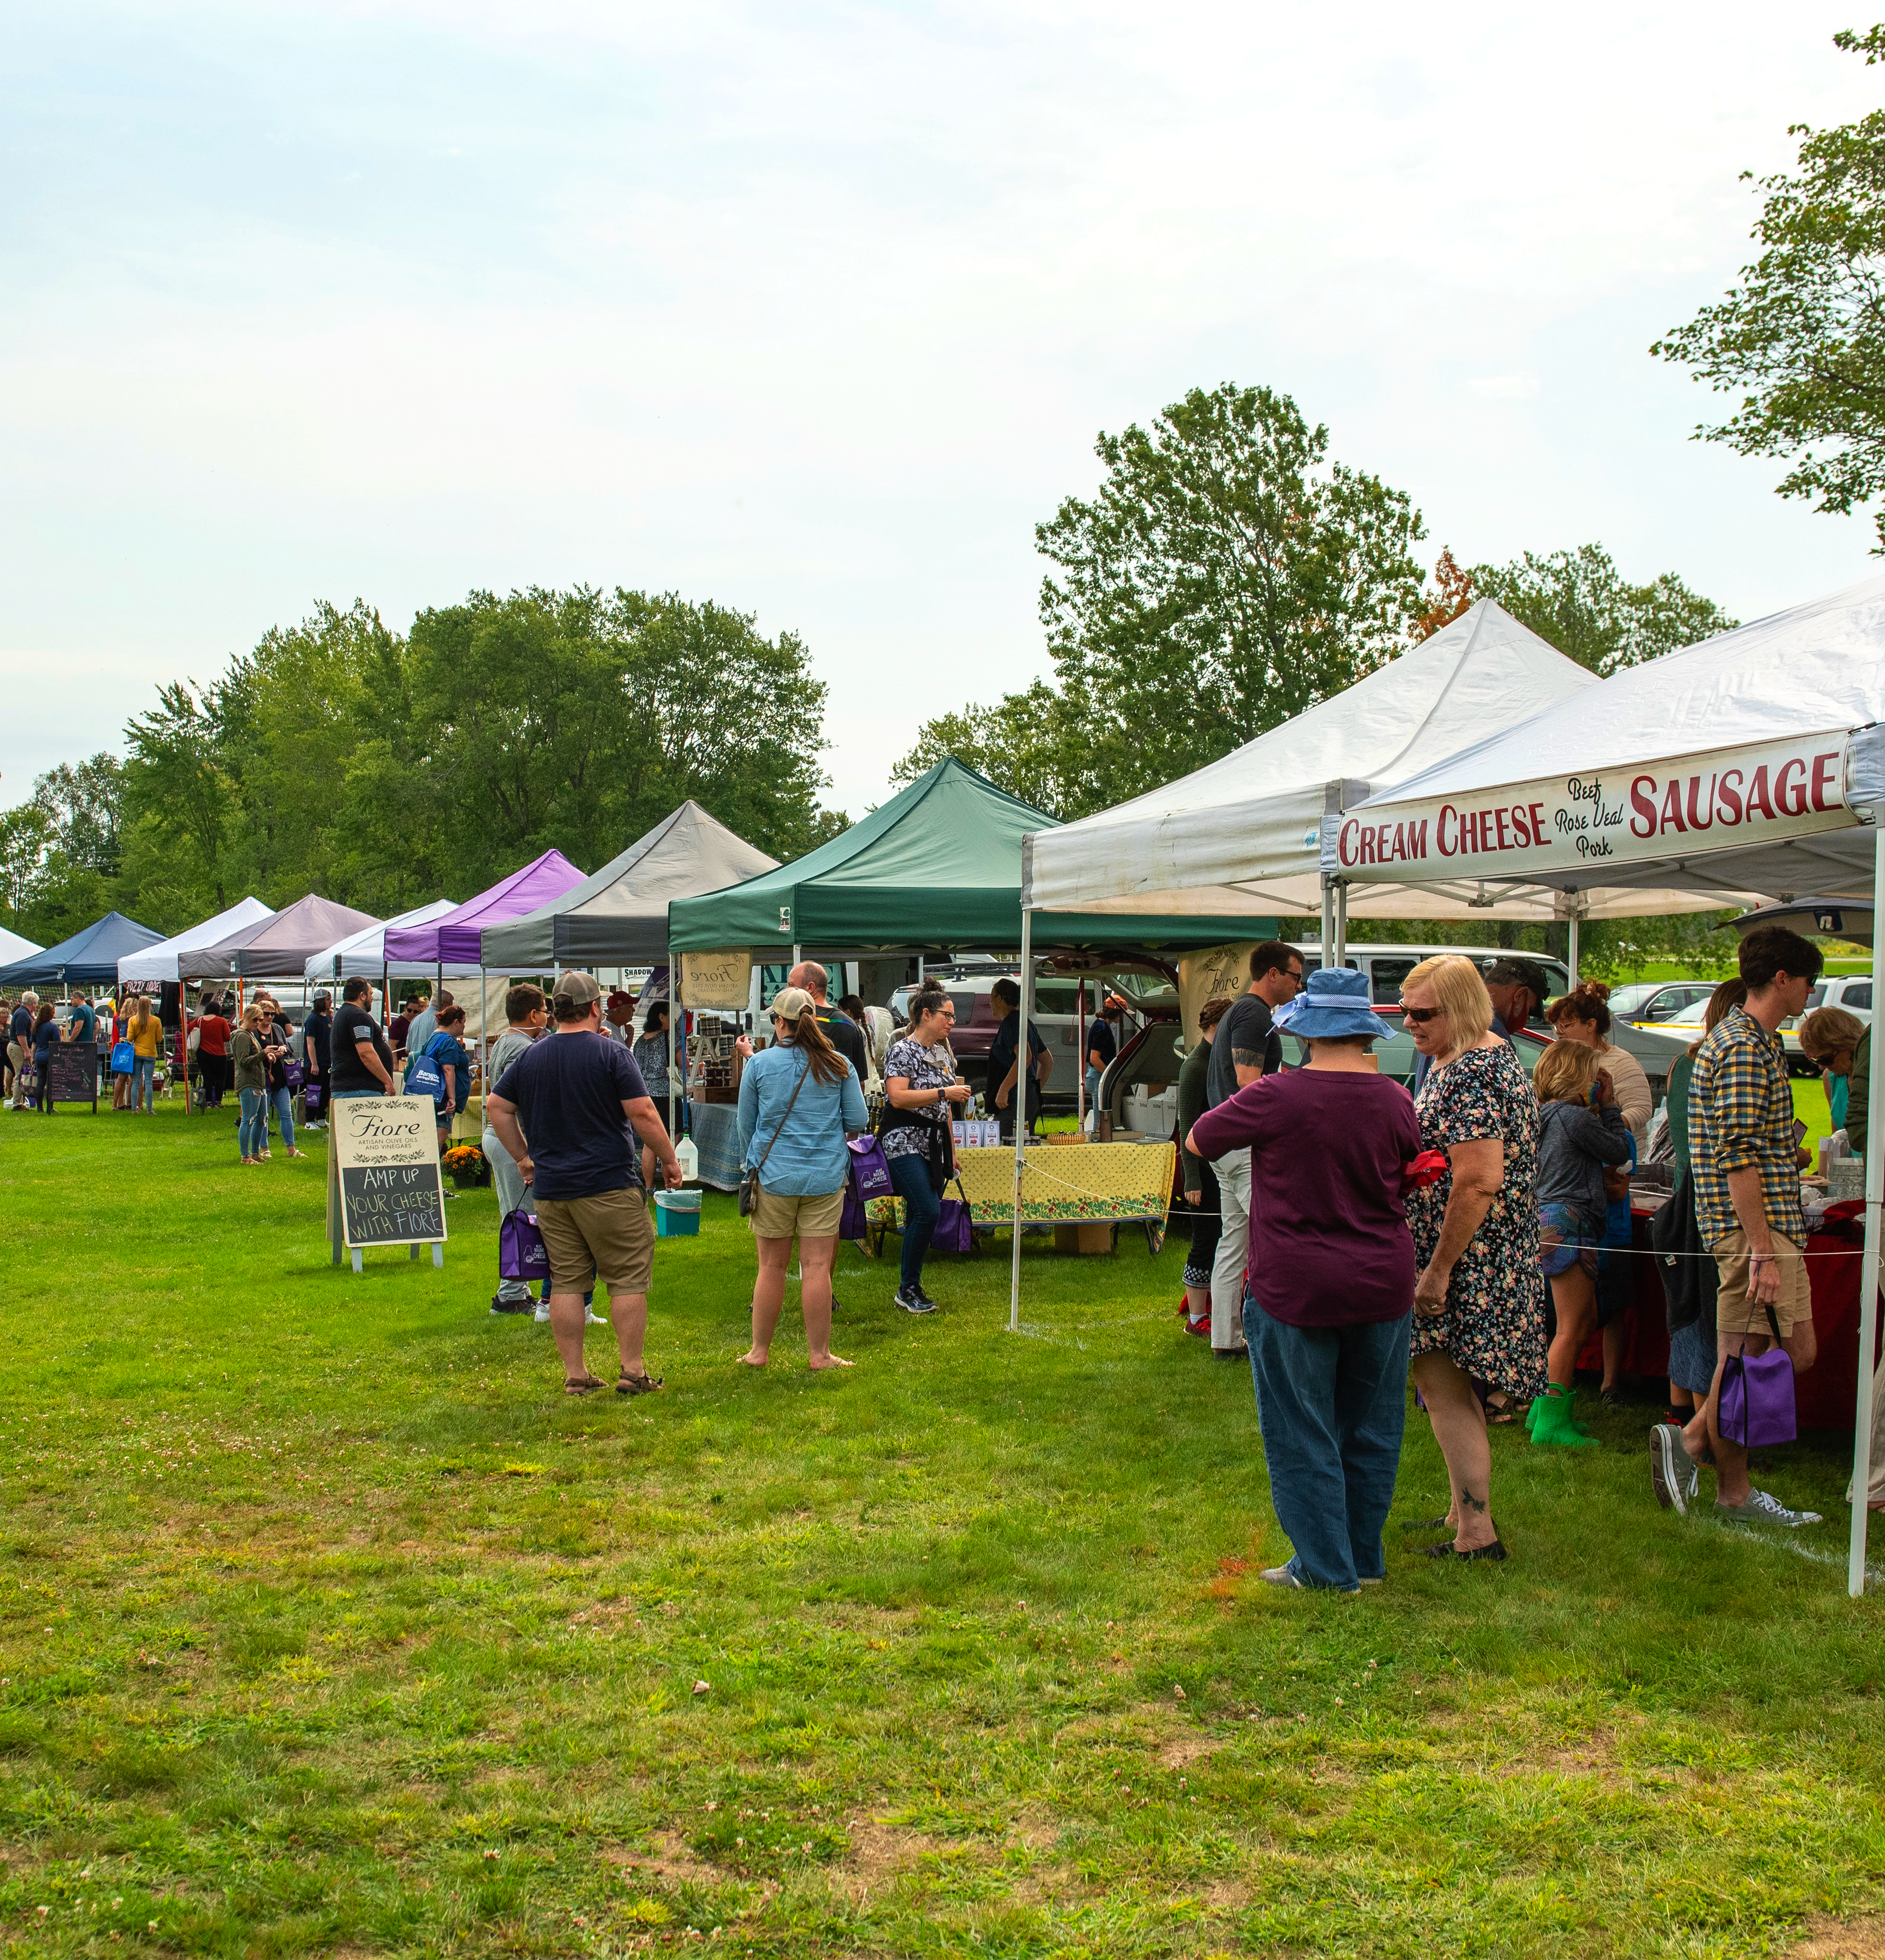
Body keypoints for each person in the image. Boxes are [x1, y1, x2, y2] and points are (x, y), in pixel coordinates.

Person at [1186, 966, 1423, 1593]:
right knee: (1371, 1425)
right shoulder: (1397, 1098)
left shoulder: (1278, 1095)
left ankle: (1324, 1566)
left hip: (1297, 1281)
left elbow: (1201, 1137)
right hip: (1381, 1278)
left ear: (1304, 1032)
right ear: (1366, 1035)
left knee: (1301, 1425)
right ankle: (1360, 1559)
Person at [1657, 925, 1826, 1527]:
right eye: (1808, 980)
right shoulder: (1744, 1045)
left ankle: (1694, 1440)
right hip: (1753, 1229)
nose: (1811, 991)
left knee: (1789, 1351)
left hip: (1771, 1222)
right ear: (1781, 978)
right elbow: (1737, 1154)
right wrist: (1757, 1246)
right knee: (1742, 1356)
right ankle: (1732, 1491)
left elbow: (1750, 1147)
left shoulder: (1755, 1041)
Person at [1401, 954, 1546, 1561]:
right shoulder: (1460, 1058)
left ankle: (1476, 1535)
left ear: (1460, 1007)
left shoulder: (1473, 1072)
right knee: (1453, 1391)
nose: (1409, 1023)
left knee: (1443, 1388)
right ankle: (1464, 1509)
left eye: (1422, 1012)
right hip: (1478, 1255)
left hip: (1468, 1260)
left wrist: (1437, 1270)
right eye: (1403, 1011)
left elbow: (1480, 1180)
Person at [485, 971, 683, 1396]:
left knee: (567, 1281)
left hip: (553, 1191)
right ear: (596, 1008)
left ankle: (576, 1375)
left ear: (555, 1010)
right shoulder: (611, 1054)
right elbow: (644, 1113)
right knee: (627, 1278)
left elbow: (497, 1106)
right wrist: (669, 1159)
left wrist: (524, 1157)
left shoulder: (531, 1057)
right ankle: (632, 1371)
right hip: (608, 1183)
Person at [733, 987, 867, 1369]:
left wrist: (754, 1162)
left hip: (774, 1176)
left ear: (779, 1022)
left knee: (771, 1267)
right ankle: (819, 1355)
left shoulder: (758, 1065)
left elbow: (746, 1125)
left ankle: (759, 1352)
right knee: (818, 1268)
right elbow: (857, 1121)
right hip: (824, 1176)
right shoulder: (839, 1064)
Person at [1203, 942, 1306, 1359]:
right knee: (1279, 1233)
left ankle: (1226, 1339)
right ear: (1273, 974)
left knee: (1235, 1241)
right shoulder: (1253, 1013)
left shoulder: (1243, 1012)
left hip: (1227, 1144)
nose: (1299, 986)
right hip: (1244, 1146)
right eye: (1296, 976)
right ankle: (1284, 1334)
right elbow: (1249, 1084)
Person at [1655, 978, 1746, 1446]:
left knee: (1686, 1309)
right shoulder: (1728, 1059)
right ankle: (1706, 1430)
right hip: (1710, 1201)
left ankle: (1681, 1414)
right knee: (1716, 1319)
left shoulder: (1681, 1062)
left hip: (1682, 1195)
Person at [1529, 1039, 1630, 1446]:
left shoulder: (1544, 1115)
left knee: (1585, 1319)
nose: (1598, 1083)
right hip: (1570, 1222)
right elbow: (1619, 1149)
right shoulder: (1575, 1116)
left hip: (1553, 1219)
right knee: (1571, 1327)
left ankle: (1543, 1410)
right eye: (1594, 1076)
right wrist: (1609, 1106)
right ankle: (1551, 1422)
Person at [880, 985, 973, 1316]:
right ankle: (908, 1288)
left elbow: (945, 1108)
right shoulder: (904, 1051)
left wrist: (952, 1148)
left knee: (921, 1213)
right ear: (926, 1015)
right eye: (947, 1015)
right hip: (903, 1139)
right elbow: (898, 1097)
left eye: (953, 1016)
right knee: (928, 1210)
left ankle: (910, 1286)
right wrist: (943, 1092)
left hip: (933, 1143)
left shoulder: (943, 1053)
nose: (953, 1021)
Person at [486, 984, 551, 1316]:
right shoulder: (521, 1048)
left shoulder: (505, 1041)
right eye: (545, 1010)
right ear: (533, 1014)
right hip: (512, 1139)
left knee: (513, 1214)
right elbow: (508, 1099)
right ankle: (510, 1295)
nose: (548, 1017)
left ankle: (516, 1290)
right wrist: (525, 1154)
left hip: (498, 1138)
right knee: (523, 1219)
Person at [1177, 998, 1232, 1338]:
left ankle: (1208, 1305)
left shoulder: (1217, 1061)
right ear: (1217, 1026)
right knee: (1205, 1239)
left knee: (1220, 1238)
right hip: (1203, 1170)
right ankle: (1196, 1318)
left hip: (1221, 1166)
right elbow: (1187, 1127)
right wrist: (1192, 1179)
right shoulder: (1196, 1066)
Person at [1545, 983, 1652, 1151]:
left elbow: (1641, 1109)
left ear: (1590, 1025)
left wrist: (1603, 1135)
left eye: (1566, 1025)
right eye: (1556, 1026)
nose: (1559, 1031)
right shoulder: (1563, 1062)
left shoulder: (1621, 1062)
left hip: (1619, 1163)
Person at [989, 976, 1053, 1143]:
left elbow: (1025, 1057)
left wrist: (1004, 1090)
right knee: (1026, 1145)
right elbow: (1047, 1061)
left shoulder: (1011, 1023)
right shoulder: (1026, 1022)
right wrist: (1035, 1089)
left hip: (1013, 1101)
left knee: (1007, 1146)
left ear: (1000, 999)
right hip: (1028, 1096)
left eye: (991, 998)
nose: (990, 1004)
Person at [1800, 1004, 1870, 1154]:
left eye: (1825, 1059)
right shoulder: (1831, 1078)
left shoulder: (1874, 1076)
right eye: (1814, 1059)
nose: (1820, 1067)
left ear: (1846, 1044)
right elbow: (1838, 1139)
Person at [787, 961, 869, 1081]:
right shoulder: (850, 1024)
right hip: (837, 1098)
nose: (787, 990)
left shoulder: (792, 1019)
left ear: (810, 987)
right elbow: (859, 1081)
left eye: (791, 984)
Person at [255, 994, 307, 1160]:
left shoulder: (277, 1028)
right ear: (259, 1014)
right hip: (262, 1077)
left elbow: (286, 1045)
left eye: (272, 1014)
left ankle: (291, 1148)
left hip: (280, 1076)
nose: (270, 1017)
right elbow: (254, 1054)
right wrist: (269, 1054)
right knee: (263, 1116)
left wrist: (283, 1050)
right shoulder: (254, 1032)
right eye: (266, 1014)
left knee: (286, 1113)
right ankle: (265, 1148)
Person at [418, 1004, 473, 1161]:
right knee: (436, 1144)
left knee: (430, 1140)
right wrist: (452, 1098)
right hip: (442, 1101)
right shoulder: (448, 1041)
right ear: (455, 1022)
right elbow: (448, 1070)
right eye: (463, 1022)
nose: (464, 1026)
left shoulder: (434, 1037)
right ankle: (430, 1175)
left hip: (432, 1096)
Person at [330, 978, 395, 1101]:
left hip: (352, 1088)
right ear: (362, 995)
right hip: (359, 1089)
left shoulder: (343, 1013)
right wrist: (387, 1081)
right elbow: (366, 1053)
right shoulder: (358, 1016)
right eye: (370, 994)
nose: (372, 998)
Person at [631, 1001, 673, 1188]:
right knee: (669, 1139)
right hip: (665, 1093)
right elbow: (683, 1063)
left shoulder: (640, 1041)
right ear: (662, 1017)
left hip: (644, 1092)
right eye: (670, 1015)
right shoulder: (668, 1037)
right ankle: (670, 1184)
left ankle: (648, 1185)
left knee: (650, 1141)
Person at [230, 1004, 271, 1164]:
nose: (259, 1023)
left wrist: (267, 1056)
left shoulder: (250, 1034)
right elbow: (243, 1062)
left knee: (262, 1119)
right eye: (256, 1019)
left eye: (261, 1020)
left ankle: (255, 1153)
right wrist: (263, 1054)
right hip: (248, 1083)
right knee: (248, 1119)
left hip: (258, 1082)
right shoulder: (242, 1036)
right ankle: (245, 1156)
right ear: (246, 1017)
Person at [1085, 994, 1126, 1115]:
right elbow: (1095, 1058)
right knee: (1100, 1120)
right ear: (1115, 1012)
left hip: (1095, 1075)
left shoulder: (1101, 1025)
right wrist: (1109, 1075)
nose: (1122, 1017)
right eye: (1121, 1013)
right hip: (1097, 1076)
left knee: (1102, 1118)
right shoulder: (1102, 1028)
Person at [126, 995, 163, 1114]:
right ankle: (149, 1110)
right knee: (148, 1082)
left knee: (136, 1081)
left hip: (137, 1053)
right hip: (150, 1053)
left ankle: (133, 1109)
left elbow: (130, 1038)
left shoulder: (133, 1020)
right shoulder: (156, 1021)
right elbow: (159, 1039)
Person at [191, 998, 231, 1109]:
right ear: (218, 1010)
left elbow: (189, 1029)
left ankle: (208, 1103)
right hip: (219, 1054)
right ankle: (218, 1102)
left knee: (207, 1078)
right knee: (220, 1078)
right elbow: (227, 1037)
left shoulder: (199, 1020)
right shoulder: (222, 1021)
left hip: (203, 1053)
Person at [302, 992, 333, 1129]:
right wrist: (314, 1063)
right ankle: (309, 1120)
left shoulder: (328, 1018)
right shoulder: (312, 1020)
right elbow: (310, 1043)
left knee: (326, 1091)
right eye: (328, 1000)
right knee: (314, 1091)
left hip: (327, 1062)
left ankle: (321, 1117)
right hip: (315, 1063)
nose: (330, 1002)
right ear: (320, 1001)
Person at [7, 991, 33, 1108]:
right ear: (32, 1003)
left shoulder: (24, 1013)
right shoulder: (23, 1014)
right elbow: (21, 1035)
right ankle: (17, 1104)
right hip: (18, 1047)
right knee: (20, 1074)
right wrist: (27, 1051)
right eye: (36, 1004)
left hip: (17, 1046)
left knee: (23, 1074)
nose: (37, 1006)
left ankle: (21, 1102)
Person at [30, 1002, 57, 1111]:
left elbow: (34, 1044)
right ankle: (50, 1107)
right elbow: (56, 1043)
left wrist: (33, 1057)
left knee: (41, 1082)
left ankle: (40, 1108)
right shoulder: (53, 1027)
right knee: (51, 1082)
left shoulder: (37, 1026)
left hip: (39, 1056)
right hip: (50, 1056)